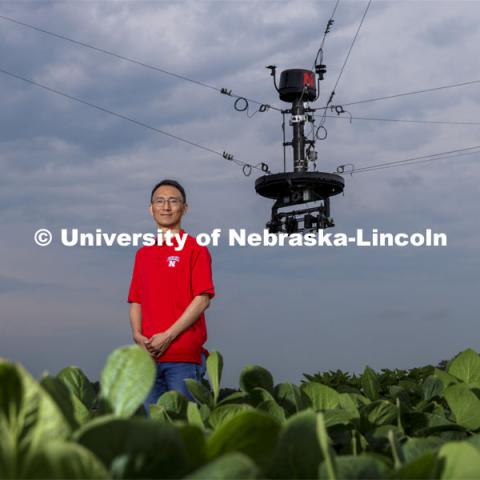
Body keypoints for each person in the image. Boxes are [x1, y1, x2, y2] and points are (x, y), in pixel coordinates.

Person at [127, 179, 215, 414]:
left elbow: (202, 299)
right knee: (155, 431)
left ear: (184, 208)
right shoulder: (143, 254)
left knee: (183, 428)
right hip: (147, 358)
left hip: (183, 357)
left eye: (173, 201)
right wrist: (137, 336)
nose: (166, 207)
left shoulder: (195, 249)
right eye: (160, 201)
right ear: (151, 208)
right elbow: (136, 300)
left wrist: (168, 335)